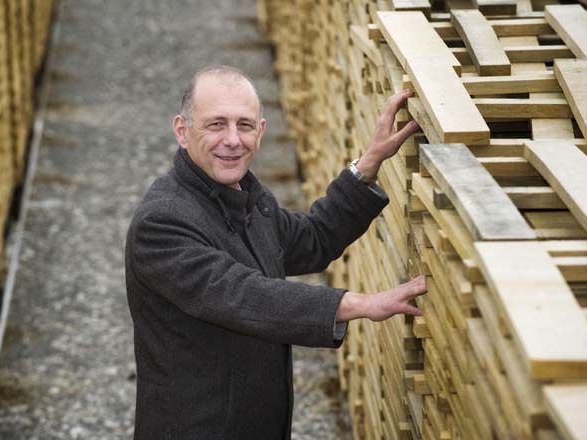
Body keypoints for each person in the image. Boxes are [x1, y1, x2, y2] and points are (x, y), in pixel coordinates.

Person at [124, 65, 426, 440]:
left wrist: (367, 165)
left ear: (261, 131)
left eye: (245, 125)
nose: (233, 140)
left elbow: (312, 239)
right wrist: (355, 303)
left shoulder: (244, 196)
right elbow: (243, 295)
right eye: (216, 124)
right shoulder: (163, 222)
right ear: (182, 132)